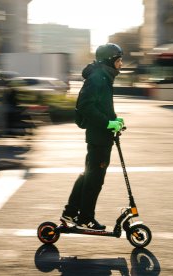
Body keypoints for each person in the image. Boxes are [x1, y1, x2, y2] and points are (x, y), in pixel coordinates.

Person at [61, 43, 125, 230]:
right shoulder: (98, 78)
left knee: (88, 176)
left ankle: (70, 213)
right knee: (94, 179)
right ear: (109, 60)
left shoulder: (103, 77)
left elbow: (99, 105)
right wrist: (107, 123)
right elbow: (86, 106)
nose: (121, 64)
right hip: (98, 137)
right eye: (119, 60)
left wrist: (114, 119)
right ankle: (85, 218)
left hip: (100, 136)